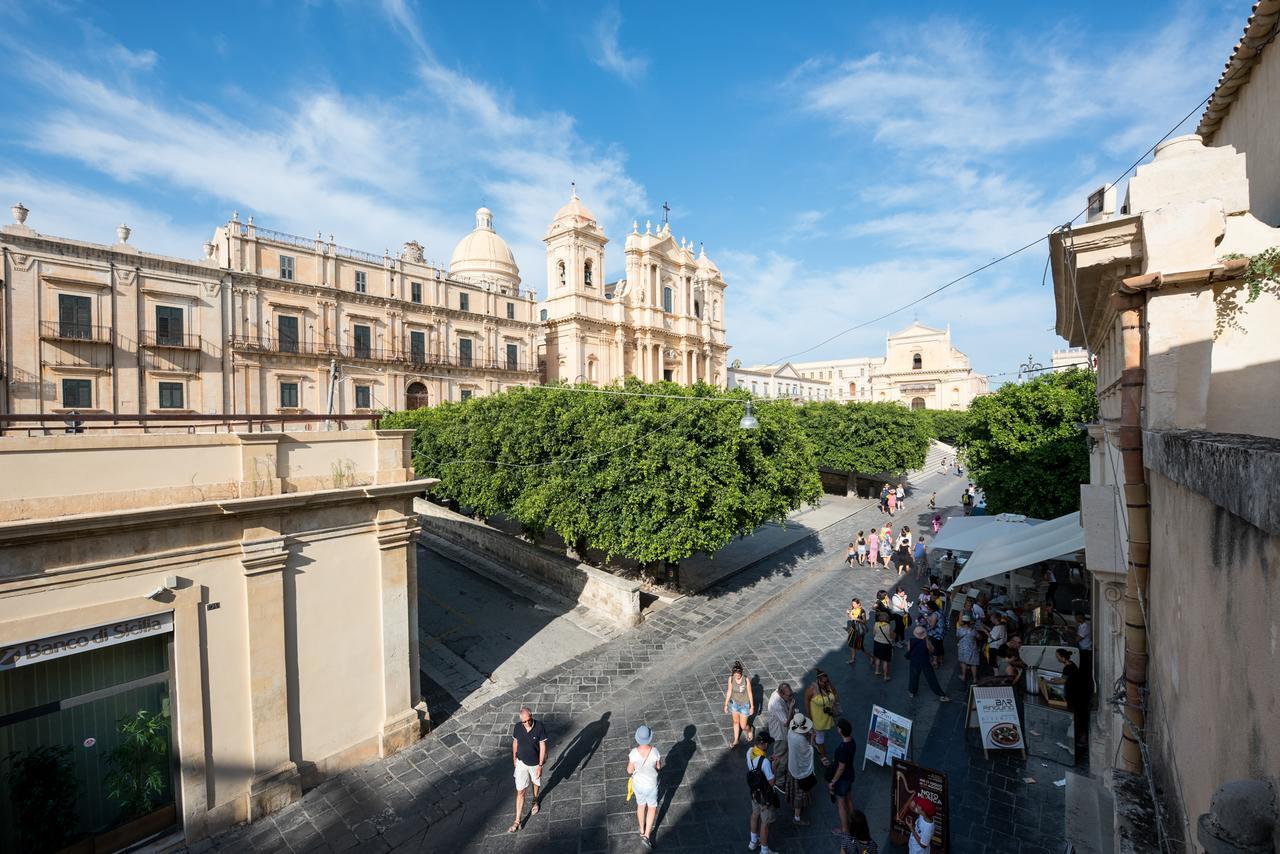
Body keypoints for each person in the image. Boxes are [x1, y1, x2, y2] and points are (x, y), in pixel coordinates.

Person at [509, 706, 548, 833]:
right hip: (521, 762)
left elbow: (542, 746)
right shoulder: (517, 727)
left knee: (535, 783)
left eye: (528, 720)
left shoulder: (539, 727)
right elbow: (515, 742)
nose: (526, 723)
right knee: (520, 790)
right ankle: (517, 820)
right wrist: (514, 757)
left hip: (535, 763)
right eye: (524, 721)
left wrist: (540, 765)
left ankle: (535, 801)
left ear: (531, 717)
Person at [628, 724, 663, 848]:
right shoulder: (655, 752)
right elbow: (658, 767)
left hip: (638, 785)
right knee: (652, 808)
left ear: (637, 738)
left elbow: (629, 770)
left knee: (641, 805)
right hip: (651, 785)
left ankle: (641, 830)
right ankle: (647, 834)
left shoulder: (633, 753)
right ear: (650, 738)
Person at [1050, 648, 1091, 753]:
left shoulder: (1068, 667)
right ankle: (1080, 737)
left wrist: (1050, 681)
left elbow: (1063, 680)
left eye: (1057, 656)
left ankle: (1078, 738)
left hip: (1074, 696)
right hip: (1078, 694)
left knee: (1076, 716)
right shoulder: (1071, 664)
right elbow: (1066, 679)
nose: (1057, 658)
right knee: (1079, 716)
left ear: (1062, 657)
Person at [746, 731, 780, 854]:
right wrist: (774, 767)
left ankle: (753, 842)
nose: (768, 746)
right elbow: (772, 782)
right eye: (768, 744)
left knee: (754, 815)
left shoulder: (749, 752)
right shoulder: (765, 762)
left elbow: (756, 770)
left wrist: (767, 762)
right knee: (765, 823)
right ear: (764, 744)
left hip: (754, 792)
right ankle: (764, 850)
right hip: (765, 795)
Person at [786, 713, 817, 826]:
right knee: (800, 793)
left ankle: (793, 805)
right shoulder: (800, 739)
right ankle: (797, 817)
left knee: (793, 789)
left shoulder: (790, 732)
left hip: (792, 766)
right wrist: (812, 739)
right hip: (800, 771)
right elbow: (808, 751)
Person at [827, 719, 857, 836]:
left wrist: (833, 781)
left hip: (843, 779)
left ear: (841, 731)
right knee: (849, 798)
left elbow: (841, 768)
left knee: (841, 803)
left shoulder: (843, 749)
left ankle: (845, 829)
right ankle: (854, 822)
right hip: (850, 775)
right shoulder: (852, 742)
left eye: (838, 727)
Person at [906, 625, 951, 702]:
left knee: (913, 677)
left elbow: (909, 650)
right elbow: (931, 651)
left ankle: (912, 692)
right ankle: (941, 695)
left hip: (914, 661)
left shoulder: (910, 640)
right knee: (931, 679)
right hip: (925, 662)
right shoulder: (926, 642)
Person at [805, 670, 839, 766]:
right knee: (821, 738)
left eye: (827, 681)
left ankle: (812, 735)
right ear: (818, 680)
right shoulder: (811, 690)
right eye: (823, 682)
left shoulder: (828, 686)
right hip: (817, 717)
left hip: (827, 716)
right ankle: (823, 756)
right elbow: (807, 703)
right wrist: (809, 716)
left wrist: (830, 684)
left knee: (820, 733)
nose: (825, 683)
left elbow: (835, 696)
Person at [766, 683, 794, 783]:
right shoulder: (777, 704)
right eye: (789, 695)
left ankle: (775, 770)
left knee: (779, 754)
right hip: (780, 733)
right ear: (782, 694)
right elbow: (786, 723)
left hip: (780, 731)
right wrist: (791, 707)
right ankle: (779, 780)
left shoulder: (778, 693)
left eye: (791, 694)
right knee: (781, 756)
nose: (791, 697)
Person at [724, 660, 755, 747]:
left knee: (743, 726)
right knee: (735, 722)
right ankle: (736, 740)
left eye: (738, 674)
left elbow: (749, 693)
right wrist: (726, 704)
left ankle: (749, 730)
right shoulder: (731, 679)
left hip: (744, 705)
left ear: (741, 673)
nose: (736, 676)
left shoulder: (745, 680)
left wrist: (752, 706)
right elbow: (729, 691)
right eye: (735, 674)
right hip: (734, 704)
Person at [955, 614, 981, 685]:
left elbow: (957, 637)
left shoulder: (959, 629)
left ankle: (963, 676)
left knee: (963, 662)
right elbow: (979, 637)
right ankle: (975, 679)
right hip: (972, 648)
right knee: (973, 663)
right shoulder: (973, 630)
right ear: (969, 622)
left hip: (963, 648)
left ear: (963, 621)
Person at [847, 598, 871, 667]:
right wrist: (849, 613)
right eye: (852, 603)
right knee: (851, 645)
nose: (853, 605)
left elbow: (864, 621)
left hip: (859, 631)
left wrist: (856, 618)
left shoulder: (862, 611)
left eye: (854, 604)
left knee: (860, 647)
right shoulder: (853, 609)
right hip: (853, 630)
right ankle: (853, 659)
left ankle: (871, 657)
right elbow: (850, 618)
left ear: (858, 604)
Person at [872, 609, 894, 681]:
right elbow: (892, 636)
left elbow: (873, 633)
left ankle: (877, 671)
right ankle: (885, 676)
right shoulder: (888, 626)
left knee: (878, 658)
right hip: (885, 645)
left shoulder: (876, 624)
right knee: (885, 661)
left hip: (877, 642)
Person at [1075, 613, 1094, 693]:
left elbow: (1078, 638)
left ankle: (1085, 686)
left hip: (1086, 650)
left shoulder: (1085, 627)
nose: (1075, 620)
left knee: (1084, 668)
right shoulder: (1081, 625)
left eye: (1076, 618)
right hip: (1082, 649)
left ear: (1080, 618)